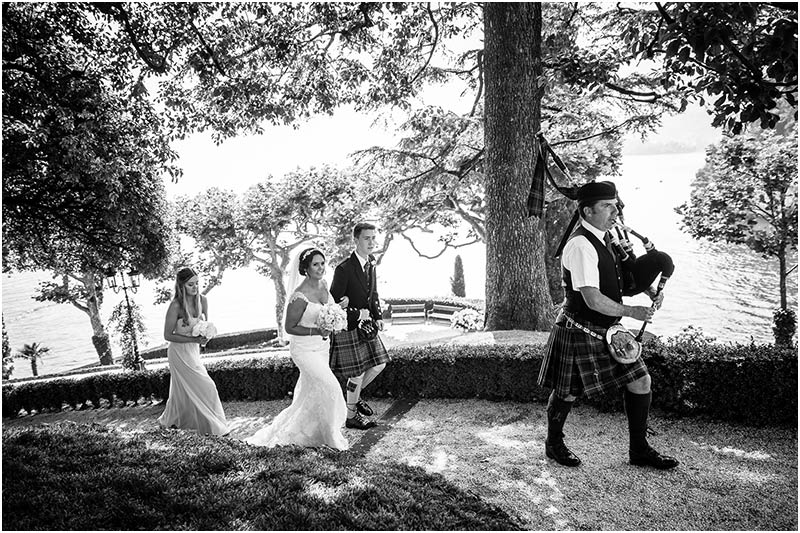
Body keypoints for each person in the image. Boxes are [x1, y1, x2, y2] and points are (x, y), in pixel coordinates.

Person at [538, 181, 679, 470]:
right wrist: (633, 311)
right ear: (587, 211)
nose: (615, 211)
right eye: (607, 206)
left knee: (641, 381)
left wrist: (648, 291)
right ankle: (553, 443)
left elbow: (617, 280)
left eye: (615, 205)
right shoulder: (579, 245)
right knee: (568, 391)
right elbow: (591, 297)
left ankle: (639, 450)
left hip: (609, 329)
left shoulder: (605, 237)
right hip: (579, 327)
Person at [246, 248, 349, 450]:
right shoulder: (299, 296)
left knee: (310, 392)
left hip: (322, 348)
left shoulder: (324, 285)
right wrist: (317, 331)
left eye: (322, 263)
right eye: (315, 264)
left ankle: (308, 433)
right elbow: (289, 327)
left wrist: (339, 308)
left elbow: (328, 310)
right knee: (331, 388)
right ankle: (332, 437)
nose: (321, 268)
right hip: (304, 350)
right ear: (306, 268)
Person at [329, 222, 390, 430]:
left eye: (374, 237)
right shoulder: (344, 269)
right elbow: (333, 304)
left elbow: (373, 293)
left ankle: (352, 401)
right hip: (349, 327)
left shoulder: (371, 263)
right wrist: (356, 312)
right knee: (357, 374)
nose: (372, 242)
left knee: (379, 364)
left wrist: (377, 315)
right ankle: (351, 416)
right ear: (356, 240)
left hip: (368, 325)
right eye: (367, 238)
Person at [158, 267, 228, 436]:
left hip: (193, 352)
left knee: (182, 391)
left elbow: (204, 325)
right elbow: (167, 335)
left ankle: (175, 422)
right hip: (178, 353)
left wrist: (205, 337)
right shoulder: (175, 306)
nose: (195, 287)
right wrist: (193, 340)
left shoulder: (203, 300)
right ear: (181, 286)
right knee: (207, 386)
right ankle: (213, 427)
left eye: (197, 283)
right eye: (190, 284)